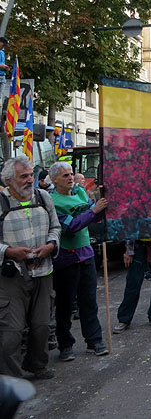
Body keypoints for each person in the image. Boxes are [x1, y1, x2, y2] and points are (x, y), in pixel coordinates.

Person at [0, 156, 61, 379]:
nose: (29, 180)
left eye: (30, 175)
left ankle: (37, 365)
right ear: (8, 180)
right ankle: (11, 378)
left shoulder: (44, 197)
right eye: (23, 176)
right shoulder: (1, 202)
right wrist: (9, 252)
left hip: (43, 271)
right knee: (12, 330)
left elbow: (56, 227)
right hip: (11, 277)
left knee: (42, 325)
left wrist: (51, 245)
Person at [48, 162, 109, 361]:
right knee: (65, 305)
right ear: (54, 179)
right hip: (66, 258)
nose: (70, 178)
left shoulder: (81, 192)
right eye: (65, 175)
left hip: (86, 254)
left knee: (89, 301)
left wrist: (102, 201)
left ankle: (94, 340)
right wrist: (93, 211)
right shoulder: (52, 202)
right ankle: (65, 345)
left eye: (71, 174)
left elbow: (94, 214)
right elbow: (71, 226)